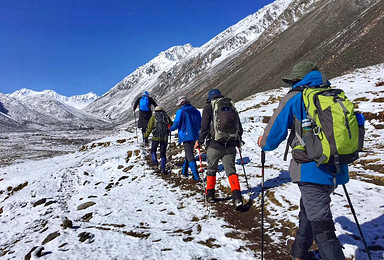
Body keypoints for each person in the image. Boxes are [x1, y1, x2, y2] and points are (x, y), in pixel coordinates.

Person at [258, 61, 348, 260]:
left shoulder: (295, 97)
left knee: (323, 227)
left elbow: (272, 136)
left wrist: (262, 143)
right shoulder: (332, 94)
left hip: (310, 169)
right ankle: (299, 252)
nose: (290, 85)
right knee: (310, 210)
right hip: (335, 166)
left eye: (292, 81)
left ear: (299, 79)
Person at [194, 89, 244, 210]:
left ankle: (210, 195)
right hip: (231, 144)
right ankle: (237, 198)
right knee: (231, 172)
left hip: (214, 145)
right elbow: (239, 125)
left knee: (211, 170)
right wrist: (238, 140)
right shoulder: (229, 105)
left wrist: (199, 142)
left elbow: (204, 127)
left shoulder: (208, 107)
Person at [169, 96, 202, 183]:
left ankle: (196, 176)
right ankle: (184, 171)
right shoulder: (196, 111)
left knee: (189, 155)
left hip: (185, 136)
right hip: (195, 136)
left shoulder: (180, 111)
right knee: (189, 153)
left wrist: (170, 129)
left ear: (181, 104)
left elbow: (176, 123)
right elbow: (201, 123)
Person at [144, 106, 172, 174]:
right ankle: (162, 169)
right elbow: (171, 124)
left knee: (153, 150)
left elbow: (149, 128)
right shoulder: (166, 117)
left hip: (155, 137)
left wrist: (145, 136)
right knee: (163, 153)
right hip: (164, 138)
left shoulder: (153, 118)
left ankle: (155, 164)